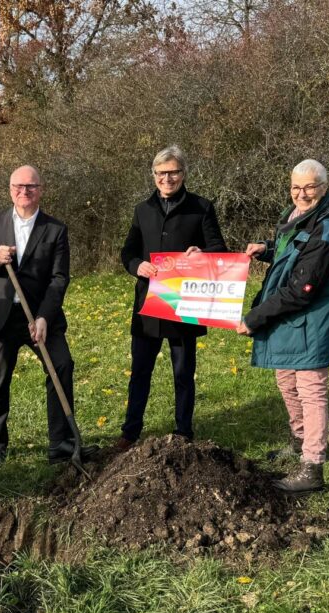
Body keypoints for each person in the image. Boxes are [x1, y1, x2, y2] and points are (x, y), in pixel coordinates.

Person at [0, 165, 95, 469]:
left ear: (41, 190)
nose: (25, 192)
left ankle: (60, 442)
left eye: (31, 187)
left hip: (39, 317)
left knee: (61, 364)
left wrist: (44, 317)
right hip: (1, 317)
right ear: (10, 189)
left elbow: (59, 278)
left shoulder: (55, 229)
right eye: (18, 186)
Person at [237, 159, 329, 493]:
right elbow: (294, 251)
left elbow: (302, 288)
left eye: (309, 187)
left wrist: (255, 318)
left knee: (310, 387)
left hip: (312, 316)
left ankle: (312, 467)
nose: (301, 194)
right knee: (285, 378)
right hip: (293, 316)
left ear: (325, 186)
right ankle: (301, 438)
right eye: (295, 187)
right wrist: (267, 250)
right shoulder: (301, 217)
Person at [116, 145, 228, 450]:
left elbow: (218, 247)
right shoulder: (142, 210)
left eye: (174, 172)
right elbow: (128, 251)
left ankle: (183, 431)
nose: (168, 178)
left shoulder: (201, 207)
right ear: (153, 176)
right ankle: (130, 433)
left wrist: (202, 253)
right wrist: (136, 265)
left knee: (183, 372)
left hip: (184, 302)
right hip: (148, 304)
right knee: (140, 370)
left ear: (184, 173)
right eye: (162, 173)